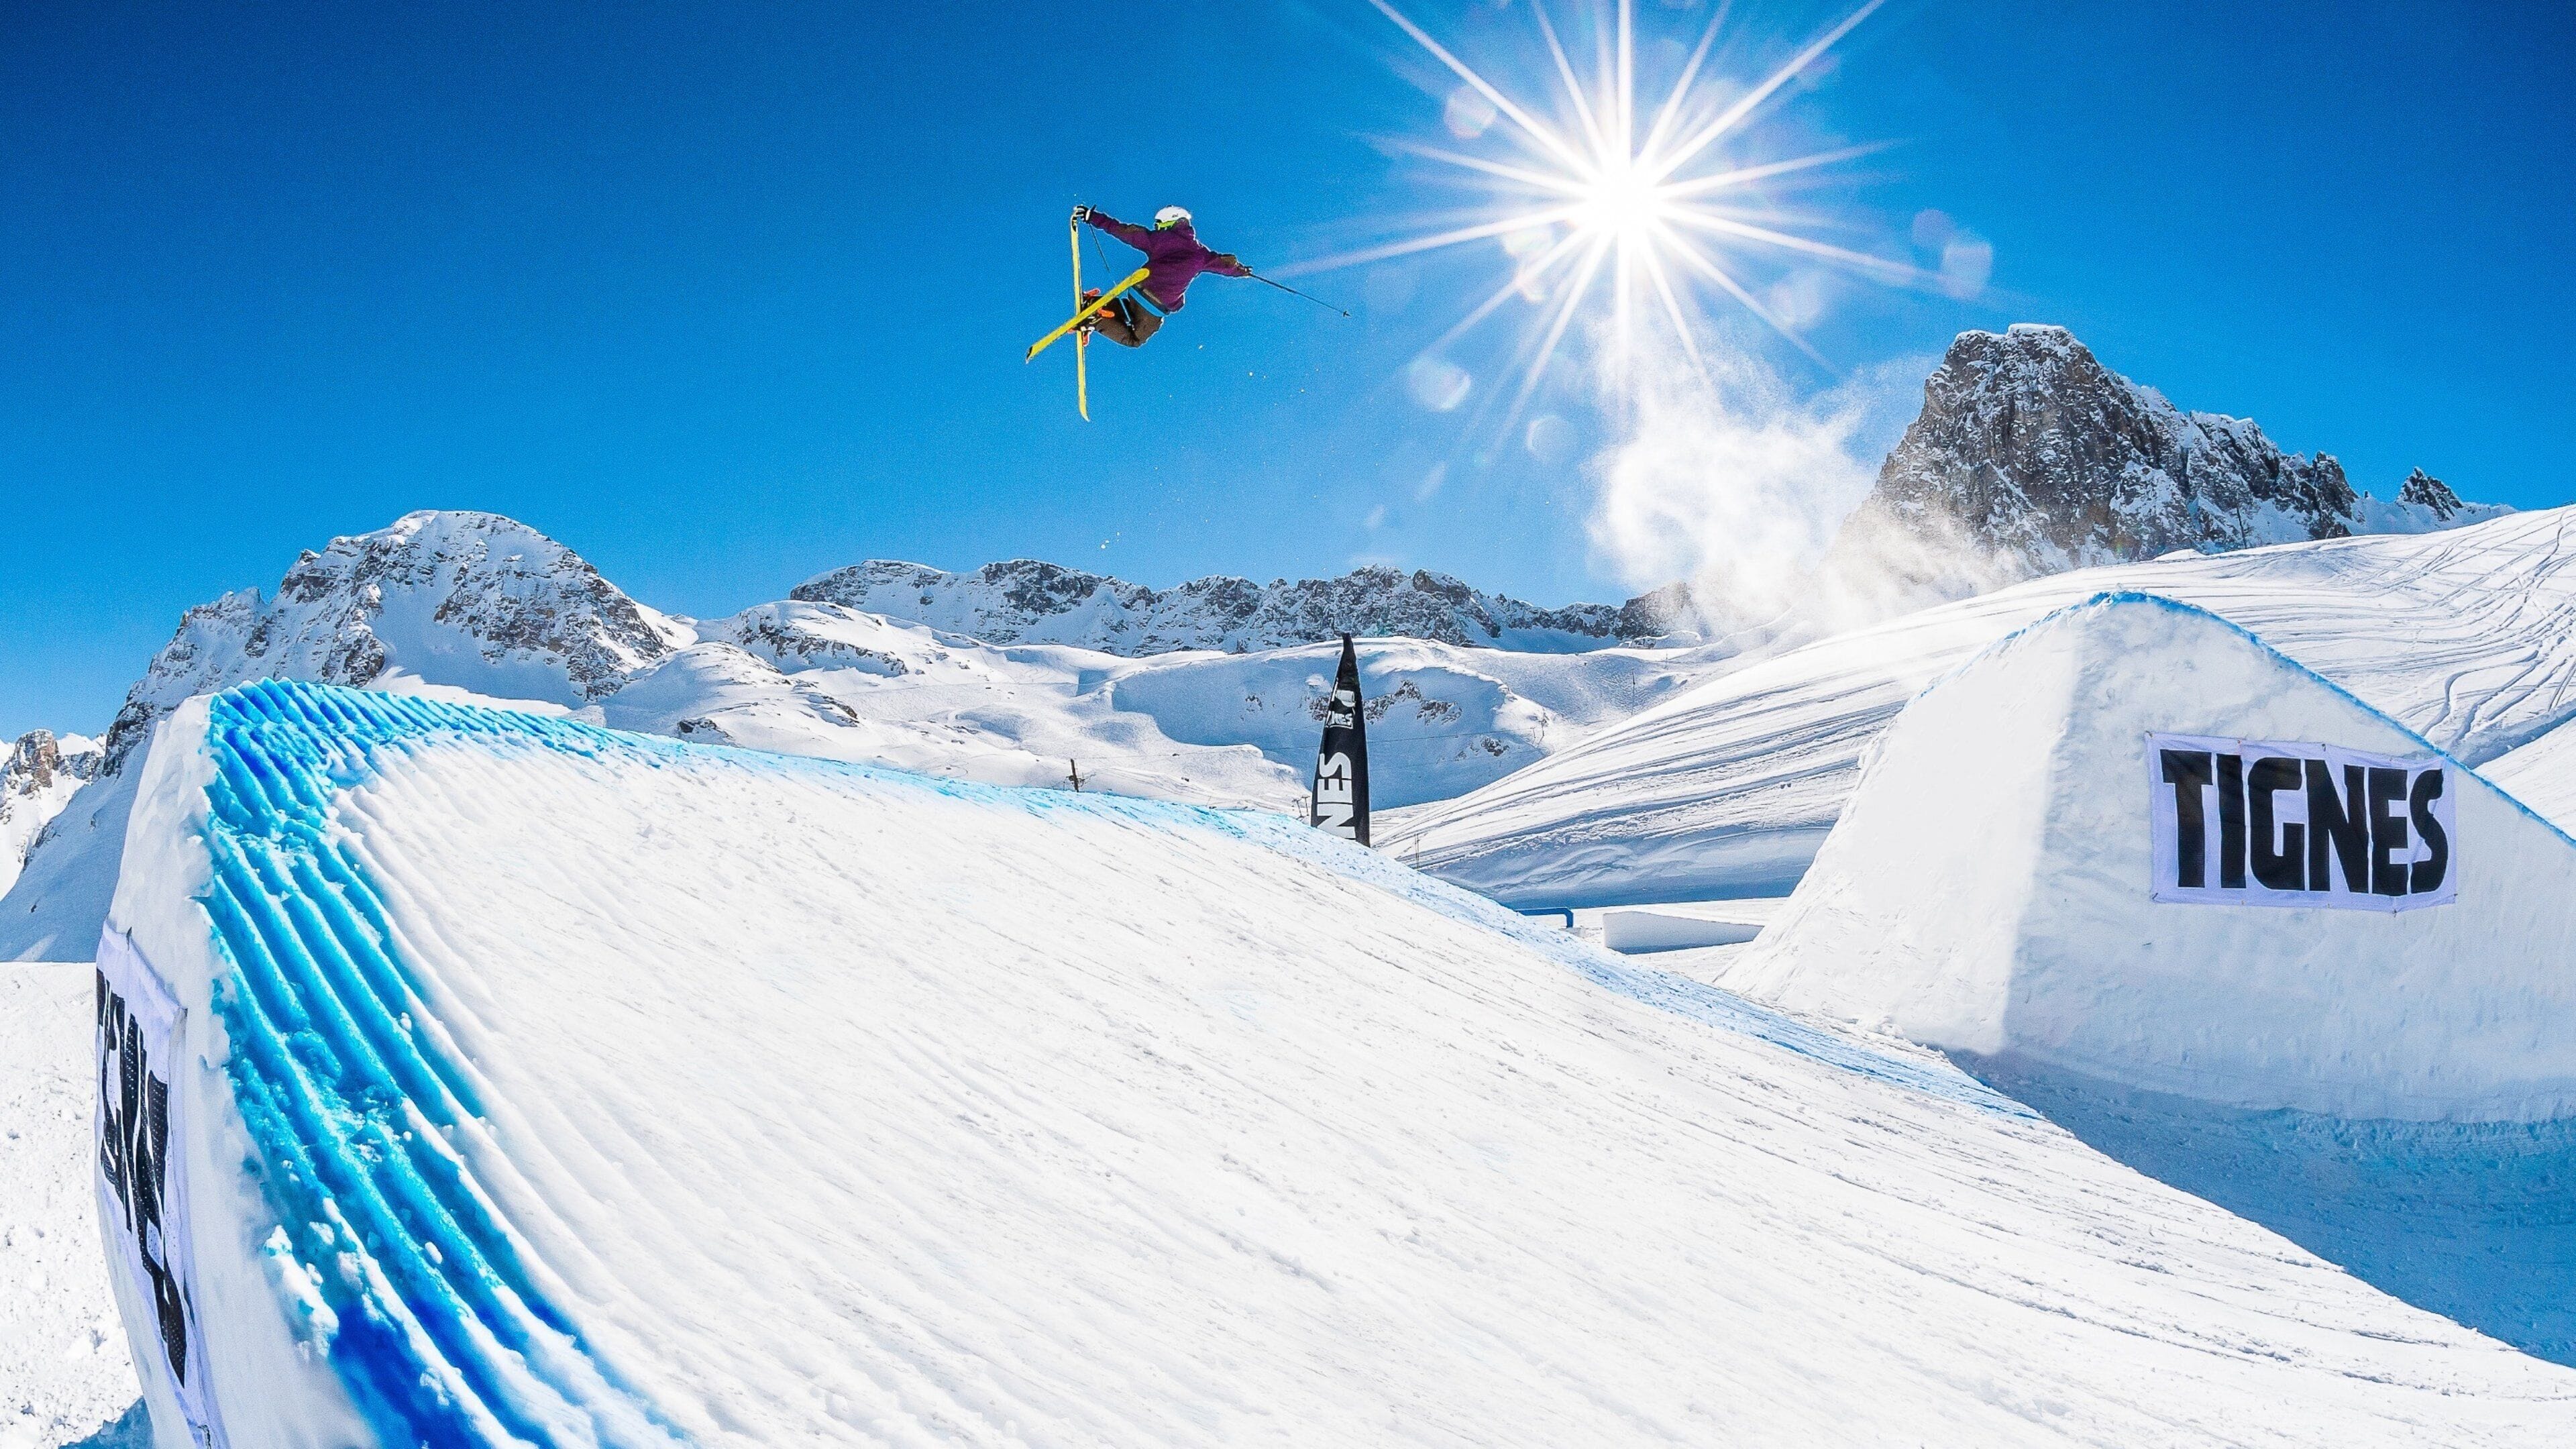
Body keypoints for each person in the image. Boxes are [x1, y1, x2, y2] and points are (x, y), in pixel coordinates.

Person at [1073, 205, 1252, 347]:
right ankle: (1095, 319)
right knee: (1135, 339)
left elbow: (1125, 232)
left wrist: (1093, 217)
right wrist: (1242, 271)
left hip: (1139, 291)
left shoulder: (1158, 240)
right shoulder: (1201, 254)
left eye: (1158, 224)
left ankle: (1095, 305)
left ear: (1170, 222)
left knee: (1129, 313)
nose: (1157, 228)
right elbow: (1224, 265)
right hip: (1156, 305)